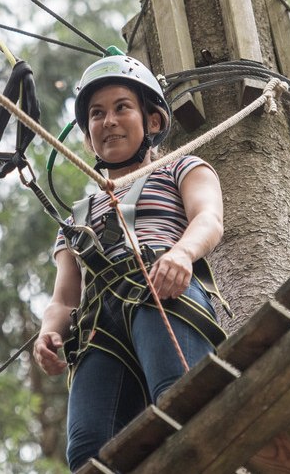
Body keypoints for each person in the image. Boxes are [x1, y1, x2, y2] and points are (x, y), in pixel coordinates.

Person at [33, 54, 228, 470]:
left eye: (122, 107)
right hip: (98, 322)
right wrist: (50, 332)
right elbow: (65, 296)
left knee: (179, 399)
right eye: (97, 115)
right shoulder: (76, 219)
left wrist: (182, 253)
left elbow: (208, 219)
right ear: (88, 138)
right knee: (88, 448)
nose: (108, 121)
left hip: (159, 285)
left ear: (152, 122)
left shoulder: (181, 167)